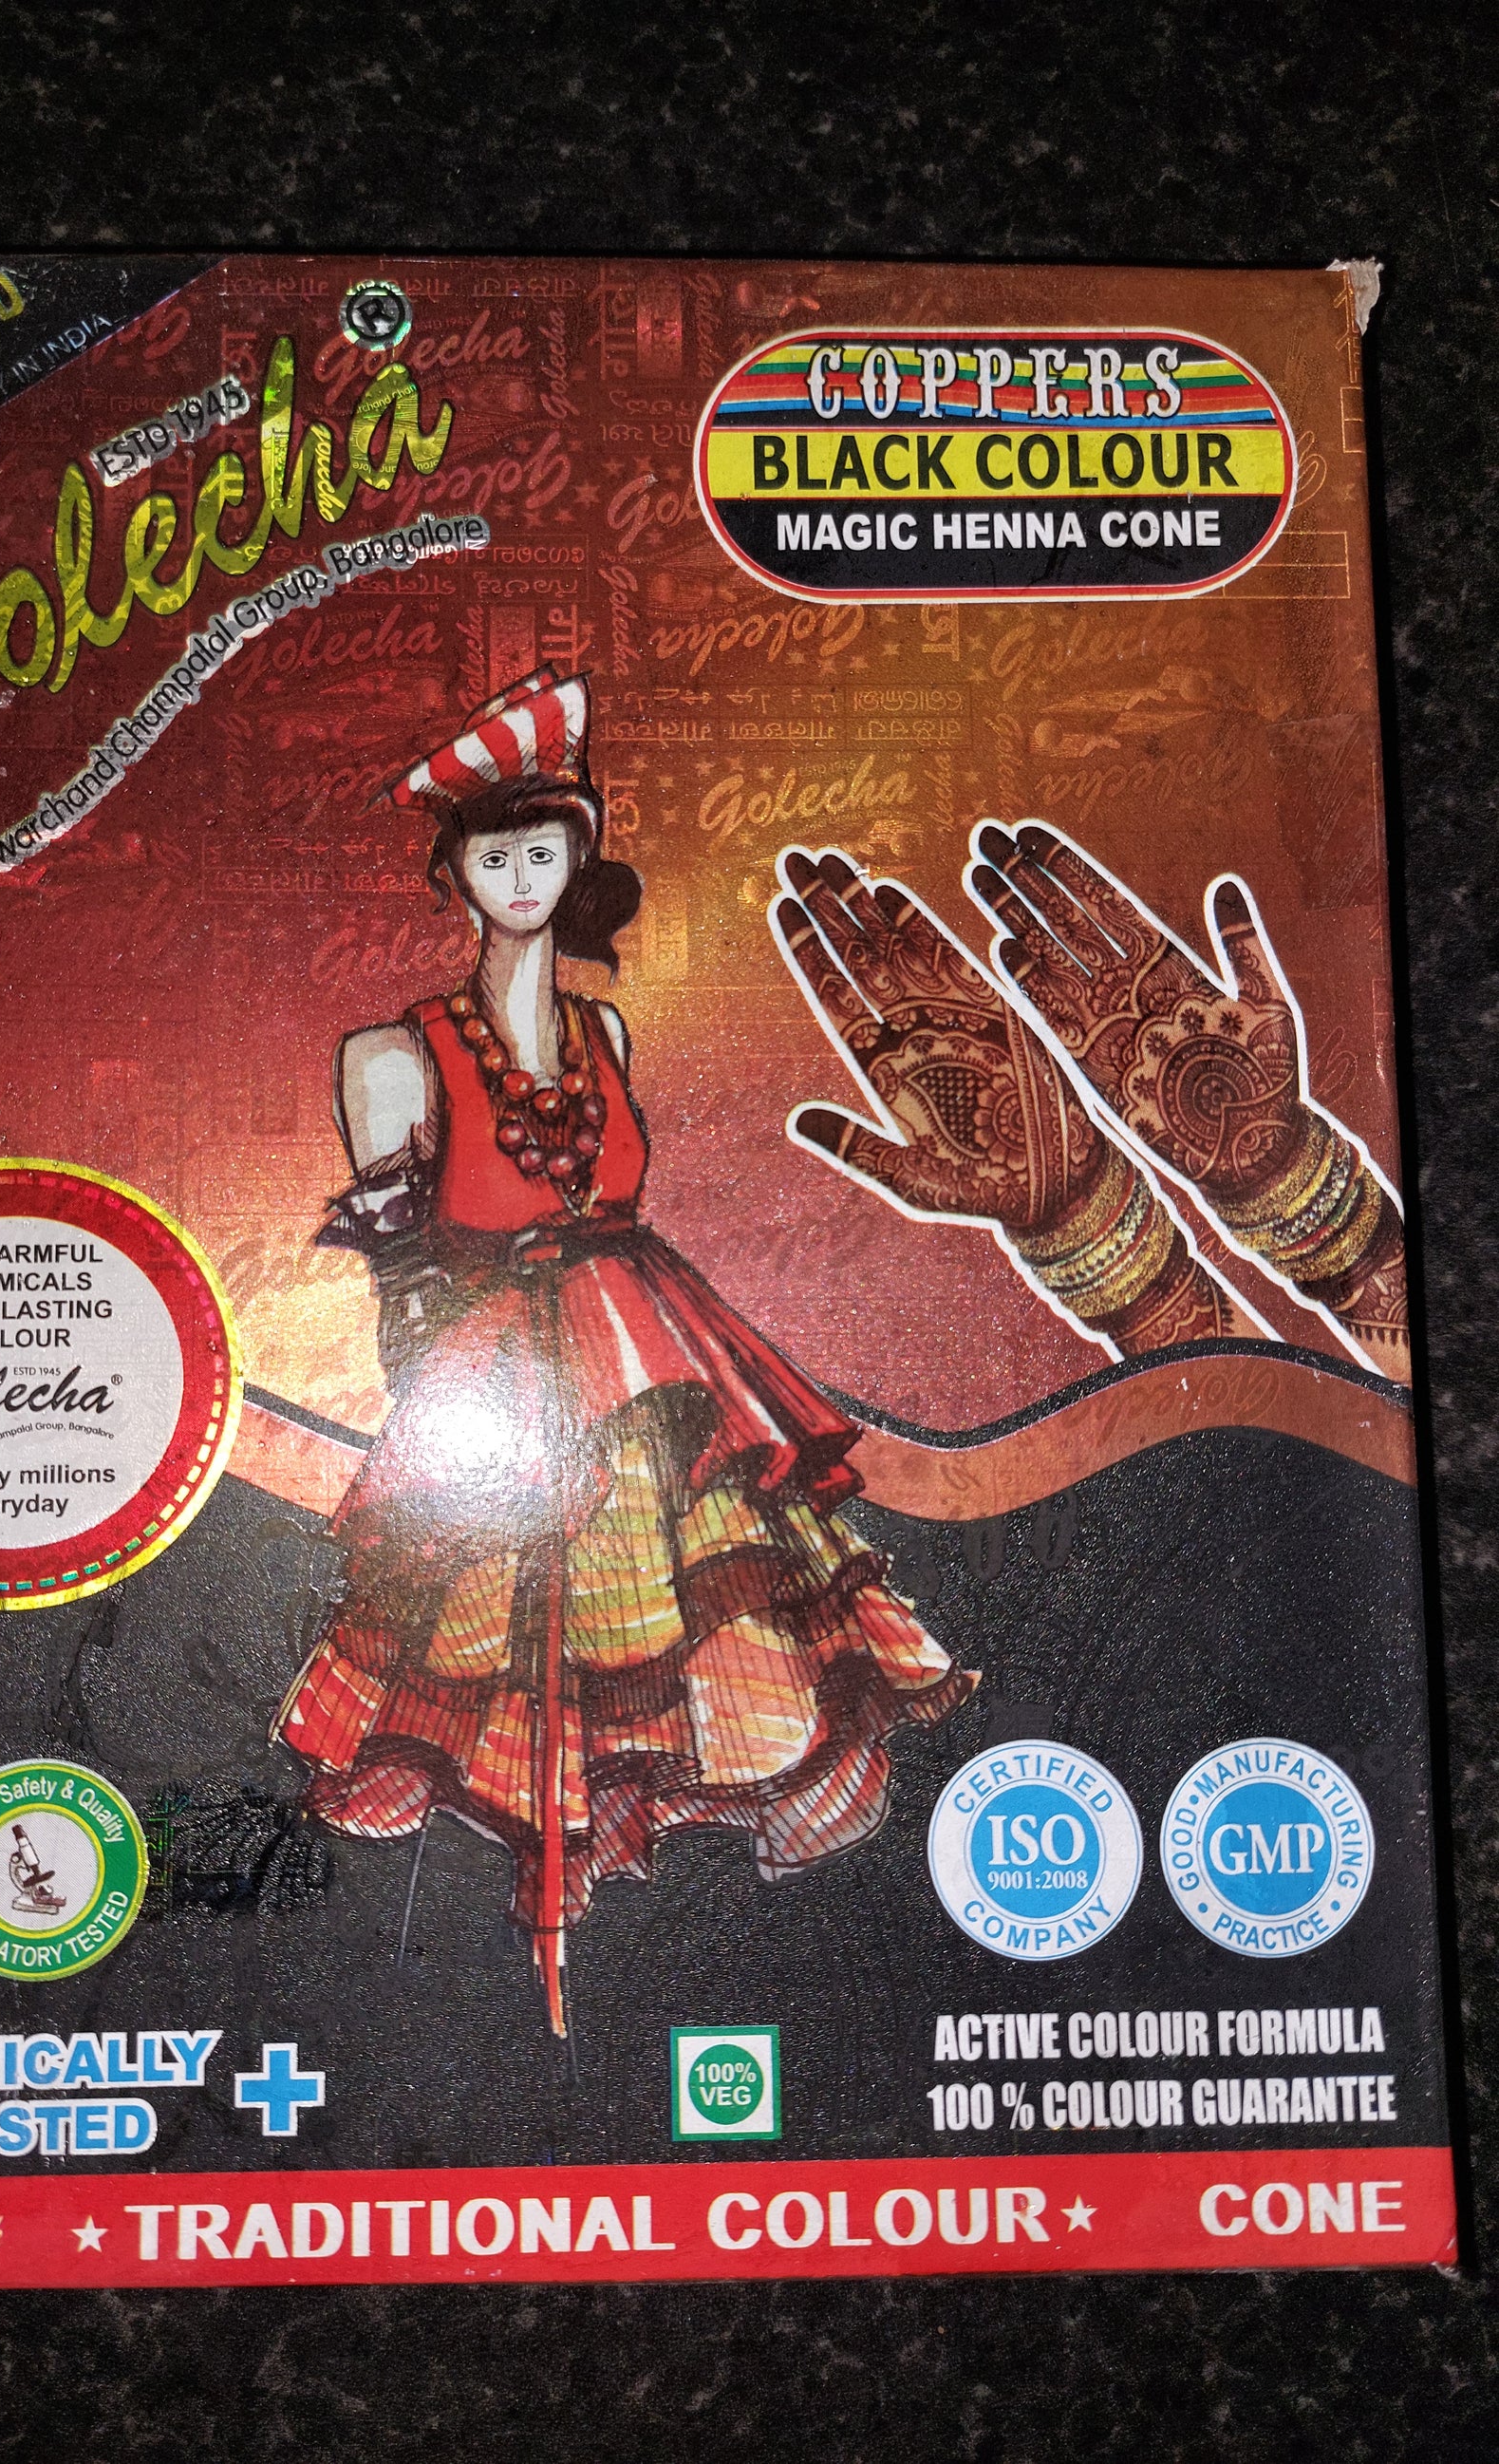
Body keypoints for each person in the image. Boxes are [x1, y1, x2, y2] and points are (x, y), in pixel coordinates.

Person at [275, 670, 974, 2035]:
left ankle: (667, 1958)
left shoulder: (605, 1033)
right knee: (514, 1639)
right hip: (507, 1375)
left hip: (656, 1362)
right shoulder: (393, 1054)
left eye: (545, 850)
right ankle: (533, 1968)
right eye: (493, 854)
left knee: (709, 1621)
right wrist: (448, 1406)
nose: (521, 878)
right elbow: (400, 1283)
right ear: (453, 871)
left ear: (579, 857)